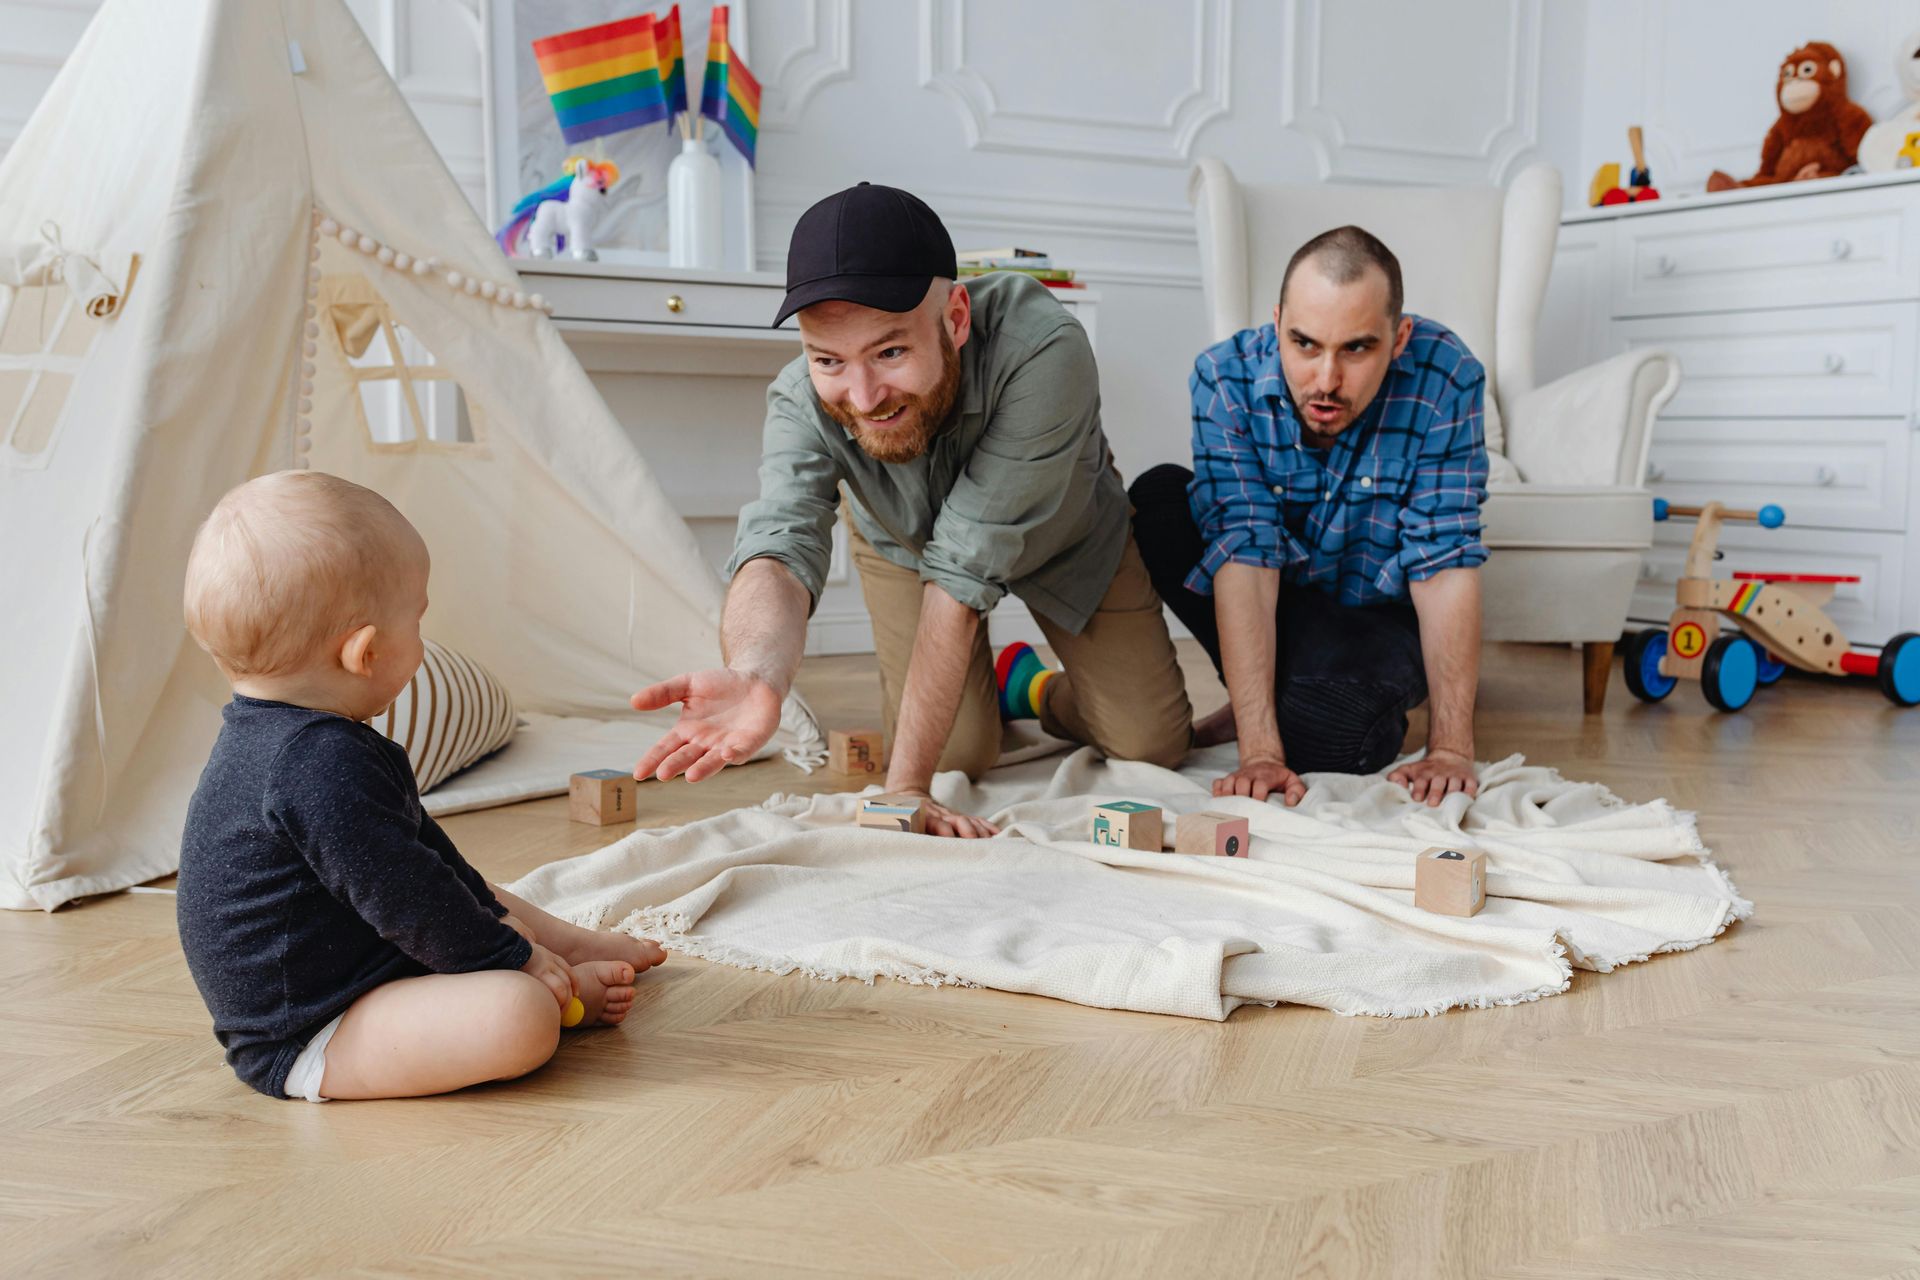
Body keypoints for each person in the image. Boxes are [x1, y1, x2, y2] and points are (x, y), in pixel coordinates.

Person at [632, 182, 1193, 837]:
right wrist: (756, 672)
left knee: (1153, 743)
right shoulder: (798, 398)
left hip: (1066, 533)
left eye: (890, 352)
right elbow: (779, 544)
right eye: (829, 360)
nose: (864, 396)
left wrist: (903, 788)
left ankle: (1034, 687)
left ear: (955, 317)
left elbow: (963, 570)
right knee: (958, 753)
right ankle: (1012, 689)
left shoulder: (1045, 348)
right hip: (903, 541)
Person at [176, 471, 666, 1102]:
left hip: (366, 962)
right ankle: (561, 989)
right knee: (519, 1012)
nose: (424, 642)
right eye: (418, 620)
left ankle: (571, 948)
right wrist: (514, 959)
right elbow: (410, 902)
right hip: (316, 1030)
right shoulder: (317, 763)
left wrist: (523, 938)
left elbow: (429, 869)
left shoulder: (294, 739)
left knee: (462, 885)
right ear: (366, 653)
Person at [1129, 225, 1488, 809]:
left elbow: (1443, 559)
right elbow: (1243, 550)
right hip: (1278, 594)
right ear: (1276, 325)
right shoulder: (1224, 378)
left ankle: (1297, 698)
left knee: (1343, 739)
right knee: (1158, 501)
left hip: (1376, 616)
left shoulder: (1447, 378)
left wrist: (1451, 748)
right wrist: (1261, 754)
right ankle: (1273, 705)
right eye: (1304, 345)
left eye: (1357, 349)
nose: (1326, 381)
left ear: (1398, 340)